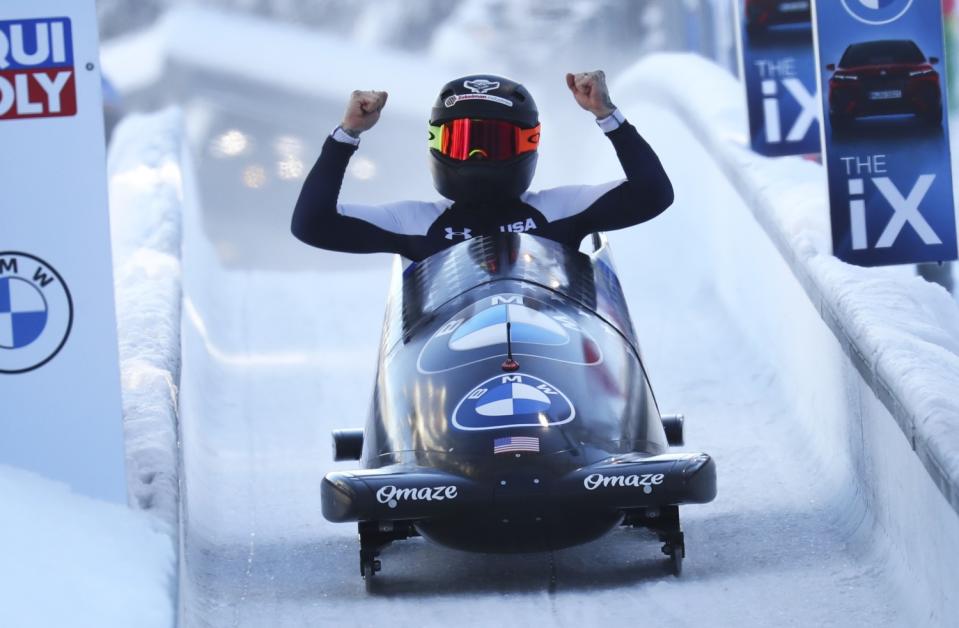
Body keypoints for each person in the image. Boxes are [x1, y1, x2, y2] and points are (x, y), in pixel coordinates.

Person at [291, 71, 673, 262]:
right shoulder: (412, 221)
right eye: (463, 144)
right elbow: (311, 224)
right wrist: (348, 133)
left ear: (527, 145)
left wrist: (605, 114)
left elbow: (653, 192)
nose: (478, 158)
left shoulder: (560, 208)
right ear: (437, 145)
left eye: (493, 144)